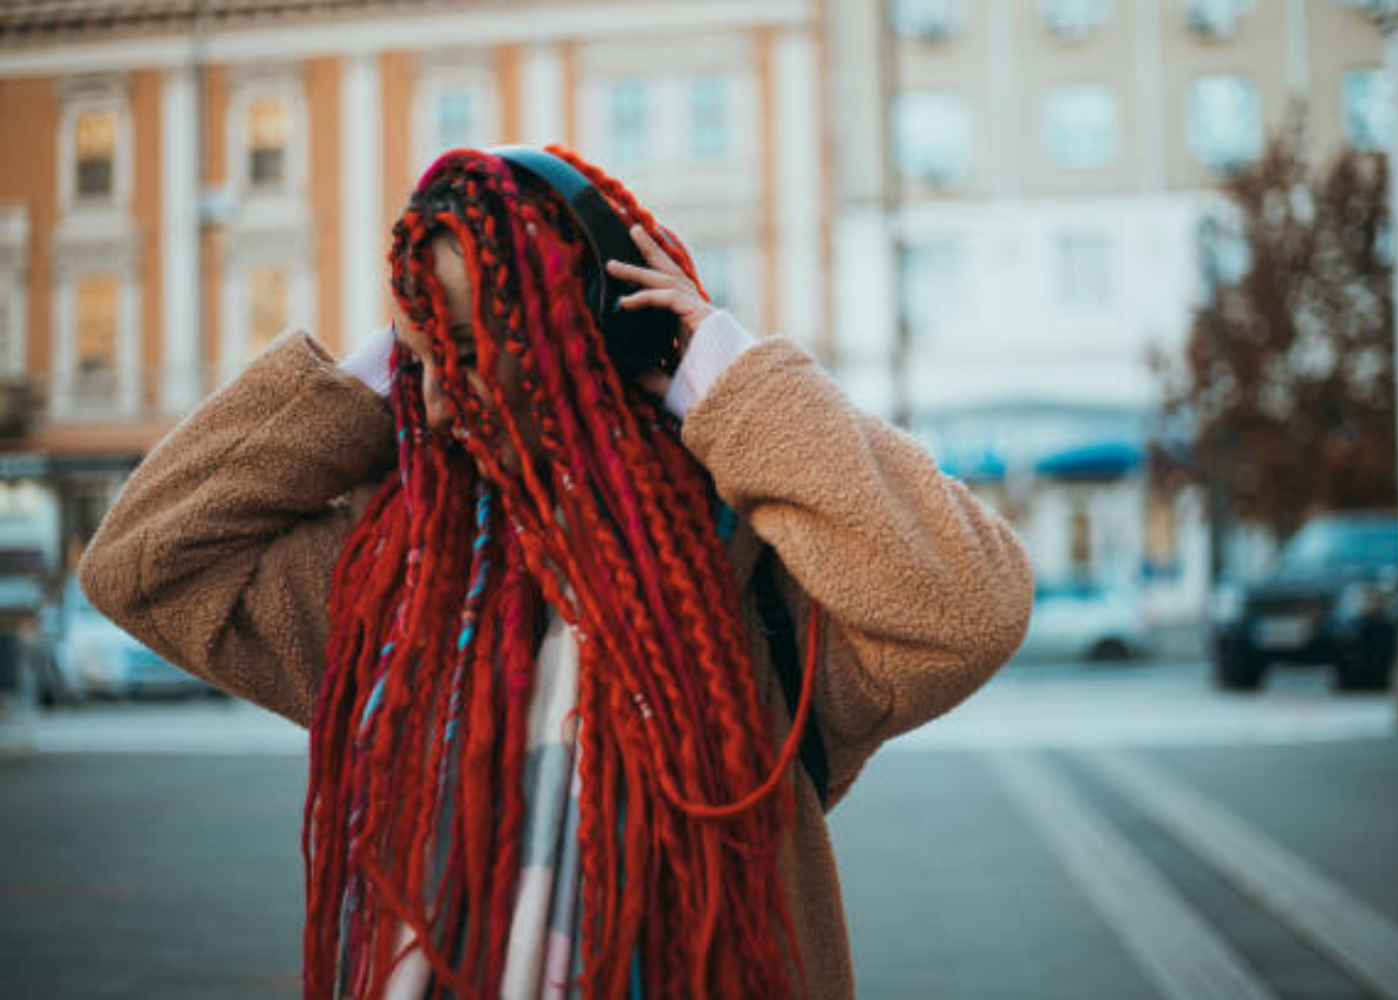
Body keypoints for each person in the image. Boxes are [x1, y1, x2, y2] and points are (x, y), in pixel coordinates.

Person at [78, 146, 1033, 999]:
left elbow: (966, 605)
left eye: (471, 354)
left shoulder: (761, 588)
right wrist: (368, 384)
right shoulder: (388, 586)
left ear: (597, 338)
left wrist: (720, 372)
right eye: (423, 360)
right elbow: (143, 562)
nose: (442, 405)